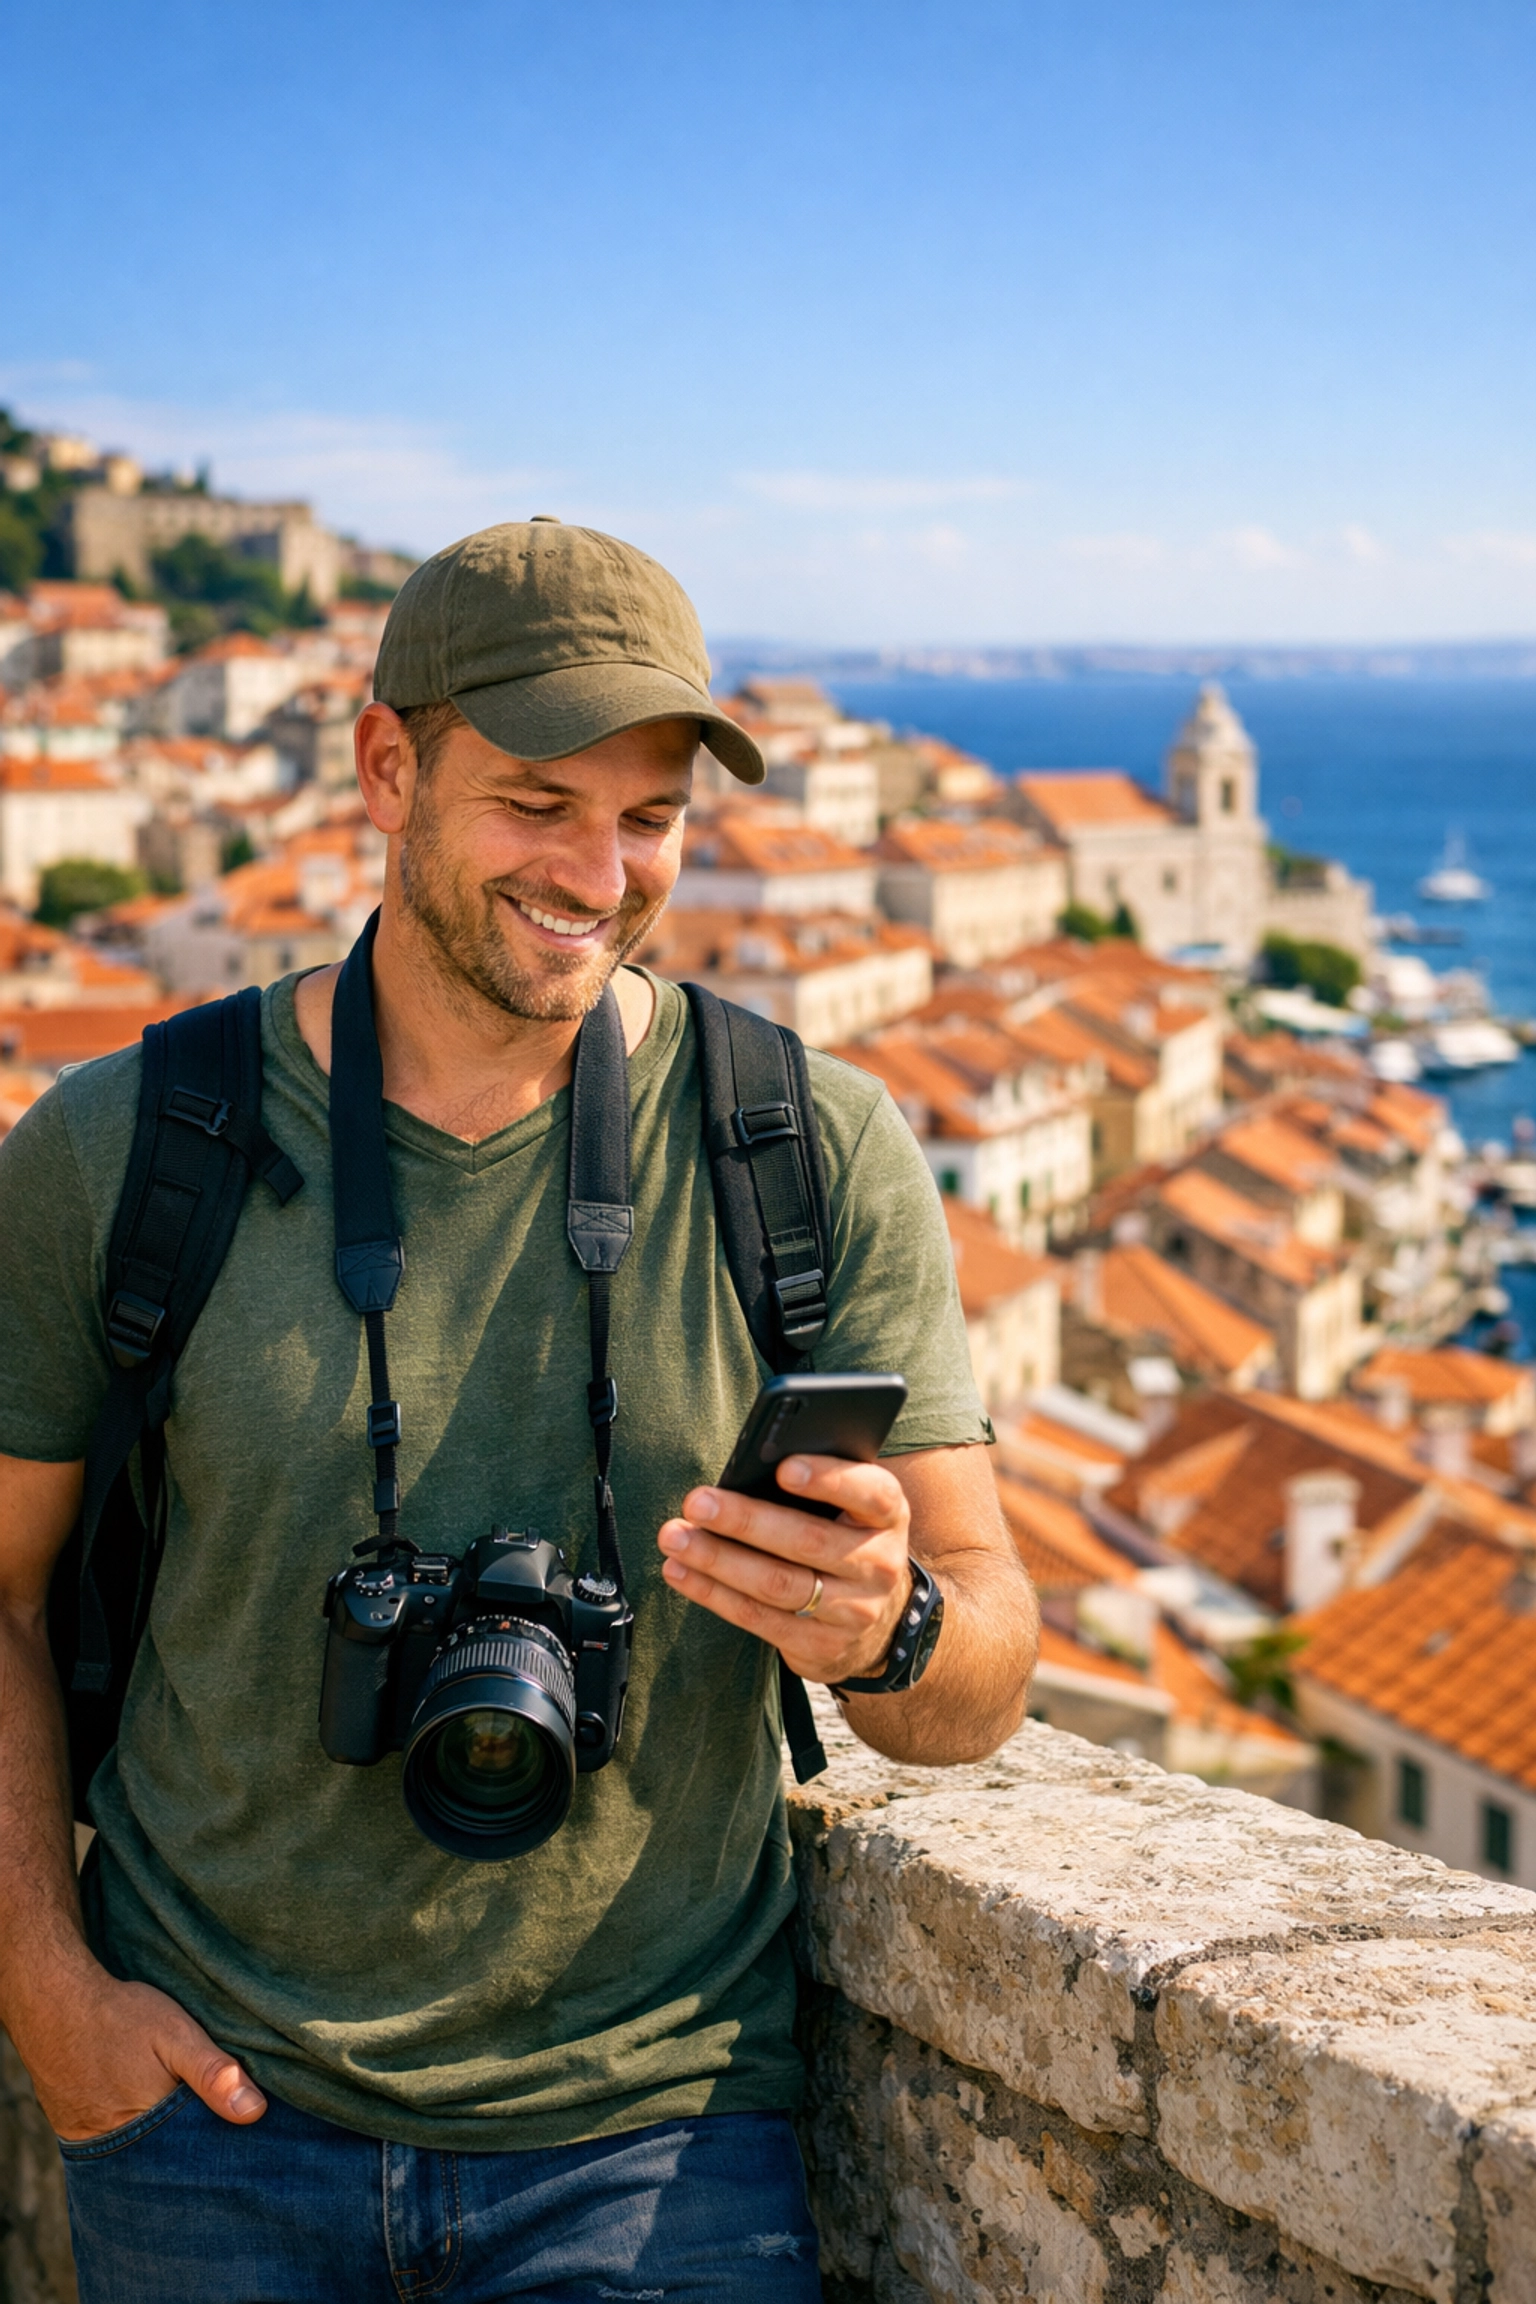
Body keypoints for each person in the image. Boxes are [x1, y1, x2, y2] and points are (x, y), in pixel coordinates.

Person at [0, 519, 1038, 2302]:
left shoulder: (807, 1151)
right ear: (387, 765)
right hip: (206, 2117)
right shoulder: (123, 1150)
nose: (600, 871)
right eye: (539, 802)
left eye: (650, 820)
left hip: (661, 2130)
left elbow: (984, 1671)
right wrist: (51, 2002)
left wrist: (894, 1626)